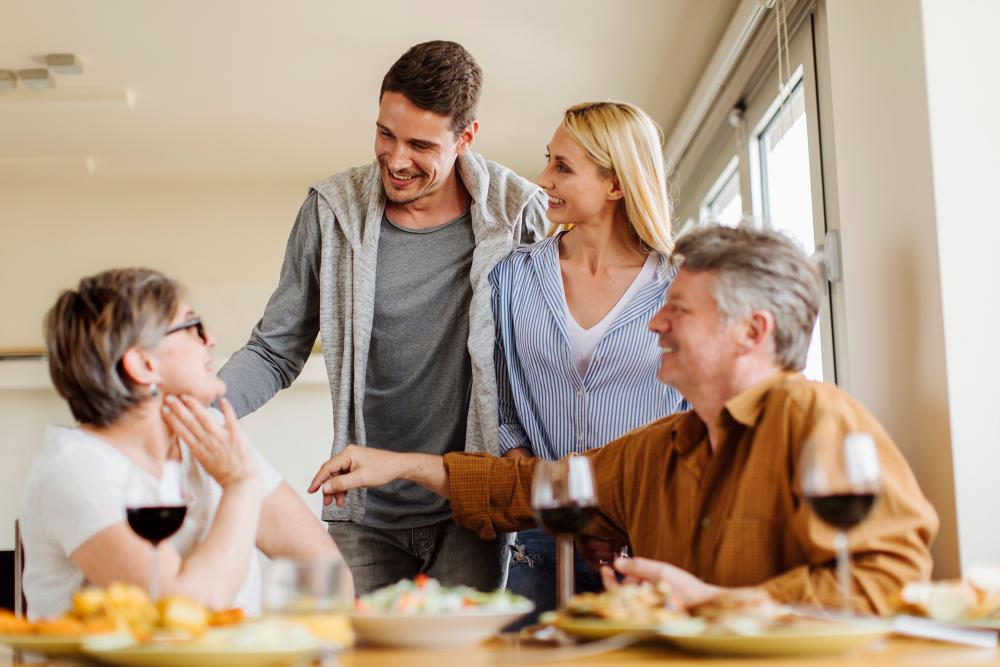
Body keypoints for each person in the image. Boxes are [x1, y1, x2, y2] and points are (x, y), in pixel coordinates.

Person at [309, 224, 939, 614]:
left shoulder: (818, 420)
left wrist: (719, 604)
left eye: (679, 312)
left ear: (752, 331)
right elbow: (533, 488)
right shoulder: (659, 448)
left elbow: (891, 580)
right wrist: (396, 464)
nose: (655, 323)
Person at [217, 40, 547, 595]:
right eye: (385, 134)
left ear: (466, 138)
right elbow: (275, 349)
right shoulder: (331, 211)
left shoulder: (519, 216)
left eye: (420, 145)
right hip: (363, 511)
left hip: (470, 511)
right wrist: (203, 406)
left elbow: (550, 362)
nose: (396, 160)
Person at [20, 268, 346, 620]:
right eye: (192, 327)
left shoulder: (210, 432)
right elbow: (180, 615)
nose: (211, 340)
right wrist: (240, 486)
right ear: (144, 364)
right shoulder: (78, 468)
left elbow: (327, 572)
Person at [492, 101, 686, 622]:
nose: (542, 178)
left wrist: (615, 518)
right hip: (541, 539)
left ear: (616, 185)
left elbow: (692, 417)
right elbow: (505, 413)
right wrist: (566, 511)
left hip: (647, 540)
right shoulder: (512, 278)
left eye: (563, 167)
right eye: (549, 160)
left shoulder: (678, 285)